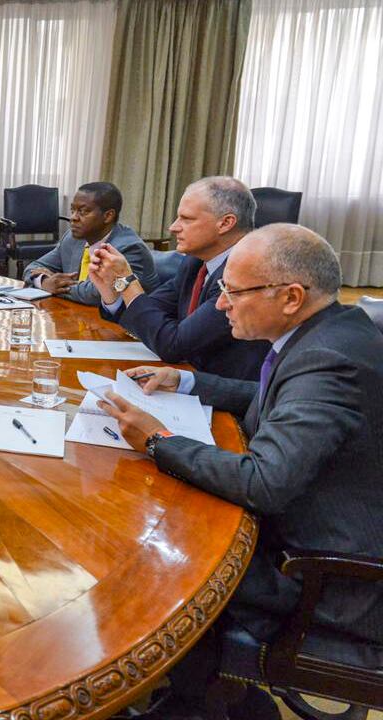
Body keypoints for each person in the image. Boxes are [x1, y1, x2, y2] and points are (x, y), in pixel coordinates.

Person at [101, 224, 383, 716]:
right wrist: (187, 383)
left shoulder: (327, 360)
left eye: (233, 292)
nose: (221, 304)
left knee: (152, 553)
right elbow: (275, 397)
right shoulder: (334, 330)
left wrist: (158, 440)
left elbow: (263, 482)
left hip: (322, 577)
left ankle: (201, 699)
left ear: (291, 297)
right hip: (311, 533)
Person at [90, 177, 269, 380]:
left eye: (186, 219)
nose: (173, 227)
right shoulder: (195, 262)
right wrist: (112, 292)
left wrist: (127, 281)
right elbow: (149, 310)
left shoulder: (246, 274)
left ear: (226, 223)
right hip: (187, 376)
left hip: (225, 390)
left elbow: (173, 346)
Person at [23, 182, 158, 305]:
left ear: (108, 216)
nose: (73, 218)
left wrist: (54, 285)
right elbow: (33, 267)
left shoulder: (129, 248)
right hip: (77, 315)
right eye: (73, 210)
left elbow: (96, 294)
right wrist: (44, 281)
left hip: (120, 322)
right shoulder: (72, 239)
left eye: (83, 211)